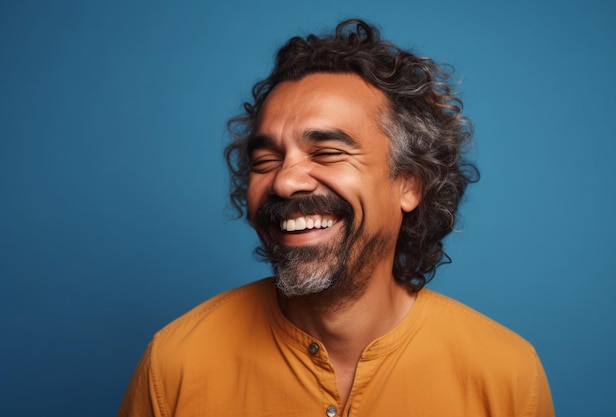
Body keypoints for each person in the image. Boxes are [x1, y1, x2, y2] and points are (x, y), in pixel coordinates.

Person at [118, 19, 554, 417]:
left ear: (409, 184)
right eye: (265, 160)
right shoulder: (173, 364)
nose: (284, 183)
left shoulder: (506, 376)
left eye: (327, 152)